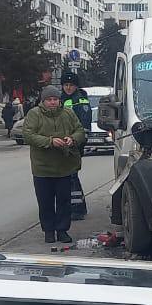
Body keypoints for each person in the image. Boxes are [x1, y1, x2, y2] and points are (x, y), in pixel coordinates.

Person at [22, 85, 86, 244]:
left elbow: (79, 130)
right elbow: (28, 135)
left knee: (64, 201)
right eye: (49, 100)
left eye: (55, 99)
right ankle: (48, 231)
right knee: (45, 201)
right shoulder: (34, 114)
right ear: (43, 101)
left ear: (59, 100)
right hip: (42, 167)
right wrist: (49, 141)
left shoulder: (68, 113)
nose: (52, 102)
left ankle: (62, 230)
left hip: (64, 166)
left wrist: (72, 139)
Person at [60, 72, 93, 220]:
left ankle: (77, 209)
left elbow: (84, 124)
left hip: (74, 144)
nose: (68, 88)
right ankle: (77, 206)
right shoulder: (59, 99)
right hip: (61, 143)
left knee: (72, 175)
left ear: (76, 86)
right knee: (67, 176)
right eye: (65, 85)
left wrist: (78, 143)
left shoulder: (80, 100)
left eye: (71, 85)